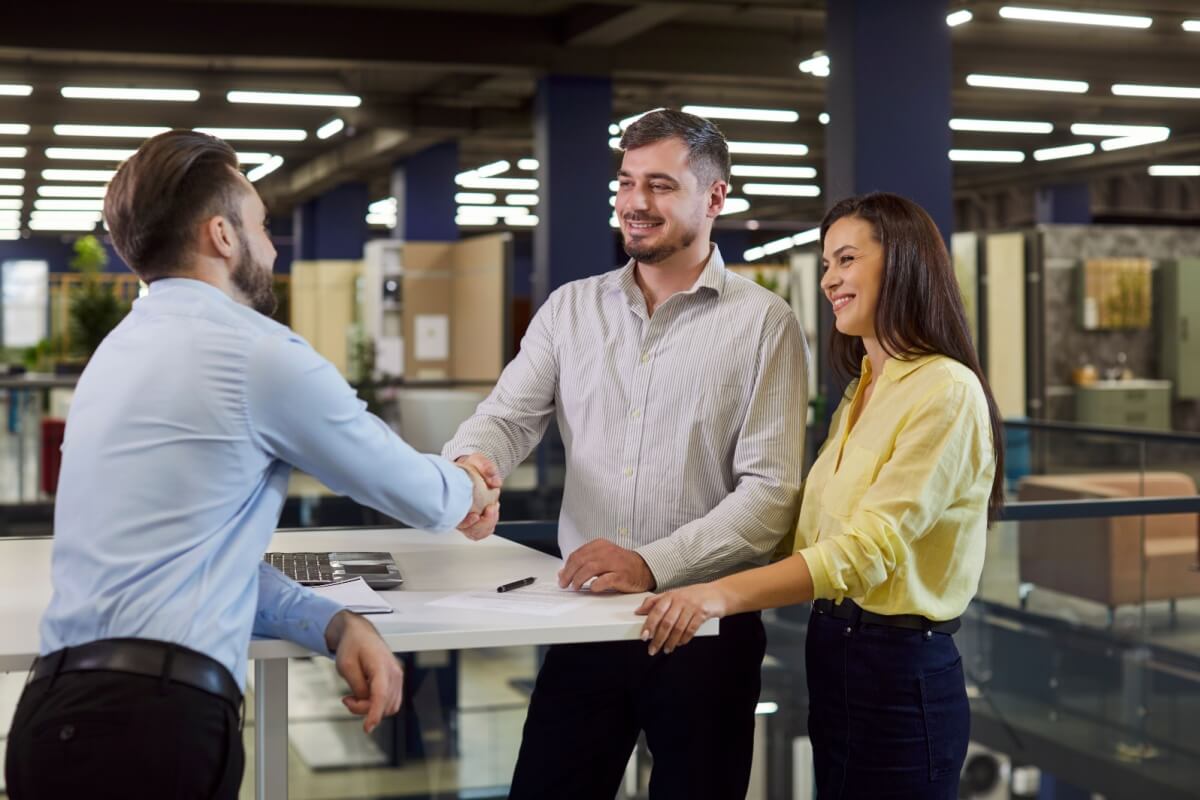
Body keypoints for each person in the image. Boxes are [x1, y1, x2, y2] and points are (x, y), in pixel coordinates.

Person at [3, 130, 497, 800]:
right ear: (222, 236)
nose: (270, 246)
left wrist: (329, 622)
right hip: (150, 732)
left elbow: (190, 562)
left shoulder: (116, 355)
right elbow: (418, 494)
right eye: (263, 226)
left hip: (54, 718)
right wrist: (470, 479)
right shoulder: (256, 353)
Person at [443, 108, 808, 799]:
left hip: (706, 631)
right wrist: (471, 466)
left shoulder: (766, 326)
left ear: (715, 197)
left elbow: (771, 496)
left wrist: (652, 563)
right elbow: (507, 419)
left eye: (661, 186)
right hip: (586, 623)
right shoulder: (570, 310)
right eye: (627, 182)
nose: (636, 203)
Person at [637, 191, 1005, 799]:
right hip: (833, 656)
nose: (830, 279)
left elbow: (863, 552)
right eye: (827, 264)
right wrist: (663, 561)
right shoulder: (862, 388)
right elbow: (802, 530)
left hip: (898, 671)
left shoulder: (946, 390)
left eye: (846, 259)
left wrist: (716, 596)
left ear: (904, 263)